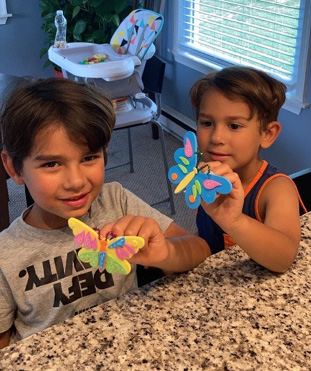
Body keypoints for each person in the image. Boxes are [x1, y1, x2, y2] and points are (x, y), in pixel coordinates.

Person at [0, 78, 210, 348]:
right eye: (52, 164)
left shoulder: (116, 200)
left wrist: (165, 254)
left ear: (105, 152)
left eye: (88, 158)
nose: (76, 181)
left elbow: (200, 249)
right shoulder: (6, 254)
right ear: (14, 168)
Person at [189, 66, 304, 274]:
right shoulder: (202, 177)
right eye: (207, 123)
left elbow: (284, 258)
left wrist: (236, 222)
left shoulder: (276, 189)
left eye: (234, 126)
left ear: (267, 134)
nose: (216, 138)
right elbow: (206, 235)